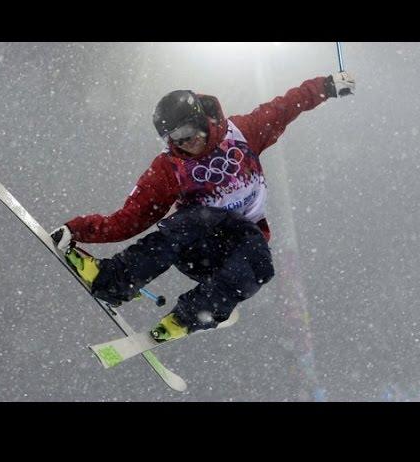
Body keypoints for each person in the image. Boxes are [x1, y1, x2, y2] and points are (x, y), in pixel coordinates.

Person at [51, 71, 356, 342]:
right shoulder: (169, 168)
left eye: (186, 134)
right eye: (172, 139)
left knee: (262, 263)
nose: (183, 144)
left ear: (201, 121)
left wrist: (327, 86)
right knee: (201, 217)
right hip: (195, 246)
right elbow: (131, 218)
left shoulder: (242, 133)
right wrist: (78, 230)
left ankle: (191, 316)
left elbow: (285, 107)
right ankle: (112, 280)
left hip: (235, 250)